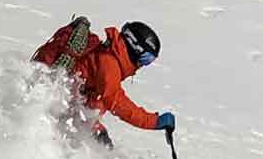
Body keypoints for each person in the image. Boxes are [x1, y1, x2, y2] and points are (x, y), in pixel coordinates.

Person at [31, 17, 176, 146]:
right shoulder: (109, 64)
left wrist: (95, 127)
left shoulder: (108, 57)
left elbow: (89, 97)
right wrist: (154, 122)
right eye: (147, 59)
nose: (144, 64)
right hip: (53, 108)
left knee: (99, 145)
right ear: (135, 49)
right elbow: (117, 103)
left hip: (64, 108)